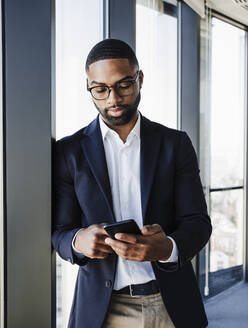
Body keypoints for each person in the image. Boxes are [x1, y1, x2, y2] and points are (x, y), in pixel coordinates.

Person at [52, 38, 211, 328]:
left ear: (139, 79)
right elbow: (59, 232)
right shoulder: (69, 152)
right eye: (100, 89)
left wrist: (166, 248)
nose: (113, 99)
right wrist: (78, 241)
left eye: (124, 85)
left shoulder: (175, 144)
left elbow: (198, 222)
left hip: (171, 303)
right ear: (89, 88)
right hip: (103, 309)